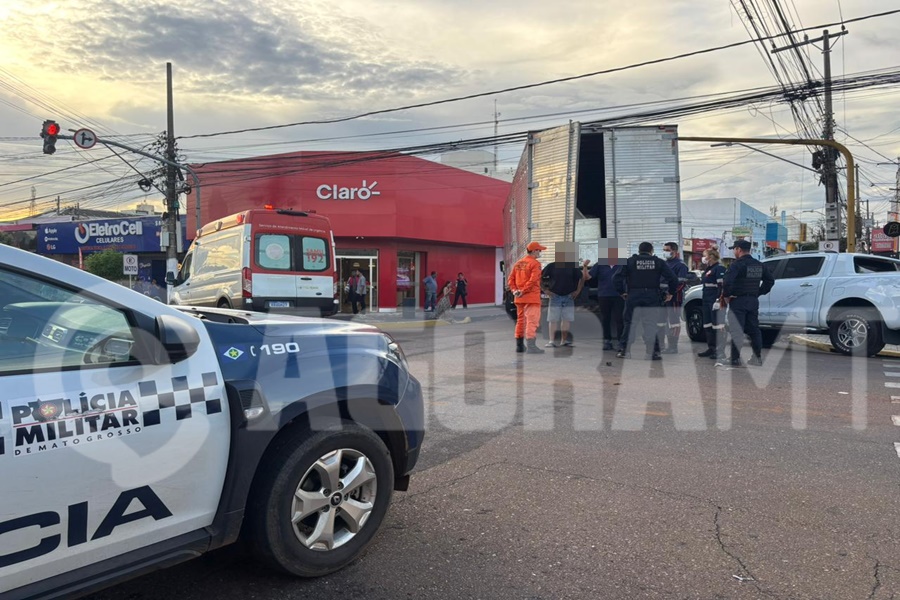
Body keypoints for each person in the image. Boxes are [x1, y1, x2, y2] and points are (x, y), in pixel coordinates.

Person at [613, 242, 678, 360]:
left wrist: (621, 292)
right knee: (651, 323)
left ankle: (624, 351)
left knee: (630, 323)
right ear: (651, 251)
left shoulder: (630, 261)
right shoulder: (658, 262)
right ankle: (652, 352)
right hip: (652, 296)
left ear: (639, 250)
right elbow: (673, 279)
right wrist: (671, 293)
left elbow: (616, 278)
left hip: (633, 295)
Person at [722, 239, 775, 367]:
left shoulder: (736, 265)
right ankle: (757, 358)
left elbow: (727, 282)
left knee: (736, 329)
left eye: (734, 249)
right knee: (754, 330)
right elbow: (770, 281)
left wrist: (727, 295)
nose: (734, 252)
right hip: (752, 301)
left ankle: (734, 359)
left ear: (739, 249)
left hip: (738, 300)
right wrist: (758, 292)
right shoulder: (759, 265)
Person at [507, 241, 547, 354]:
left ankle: (519, 346)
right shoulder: (535, 264)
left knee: (520, 321)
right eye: (539, 250)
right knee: (532, 321)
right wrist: (523, 291)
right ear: (534, 251)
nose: (540, 252)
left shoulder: (518, 263)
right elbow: (533, 280)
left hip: (519, 298)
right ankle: (531, 346)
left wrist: (515, 291)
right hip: (531, 298)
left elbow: (510, 279)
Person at [541, 254, 586, 347]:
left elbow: (582, 278)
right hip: (555, 296)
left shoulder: (572, 266)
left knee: (566, 319)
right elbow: (539, 277)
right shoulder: (551, 266)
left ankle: (563, 341)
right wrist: (545, 290)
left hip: (568, 296)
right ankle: (551, 341)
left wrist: (578, 291)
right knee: (553, 319)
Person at [589, 250, 625, 351]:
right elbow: (588, 277)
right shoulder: (600, 264)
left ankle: (621, 342)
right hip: (604, 295)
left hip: (619, 295)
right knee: (605, 319)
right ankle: (607, 341)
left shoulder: (622, 264)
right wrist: (584, 267)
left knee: (620, 319)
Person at [696, 246, 727, 360]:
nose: (703, 258)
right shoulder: (708, 269)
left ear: (710, 257)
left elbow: (722, 286)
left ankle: (720, 351)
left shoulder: (719, 268)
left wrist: (719, 300)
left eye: (704, 256)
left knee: (718, 325)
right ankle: (712, 348)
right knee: (708, 325)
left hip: (715, 299)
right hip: (706, 299)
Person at [659, 241, 690, 354]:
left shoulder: (680, 265)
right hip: (662, 297)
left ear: (675, 251)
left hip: (674, 298)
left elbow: (681, 283)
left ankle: (673, 346)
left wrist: (670, 293)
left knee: (674, 322)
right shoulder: (663, 264)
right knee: (661, 322)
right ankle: (661, 345)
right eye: (664, 250)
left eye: (667, 250)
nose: (665, 252)